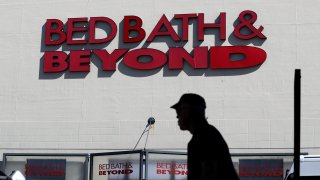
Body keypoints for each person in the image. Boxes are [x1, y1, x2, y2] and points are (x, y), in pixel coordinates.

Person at [171, 93, 239, 180]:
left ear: (187, 111)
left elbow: (209, 175)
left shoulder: (204, 138)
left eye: (178, 111)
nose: (177, 116)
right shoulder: (208, 134)